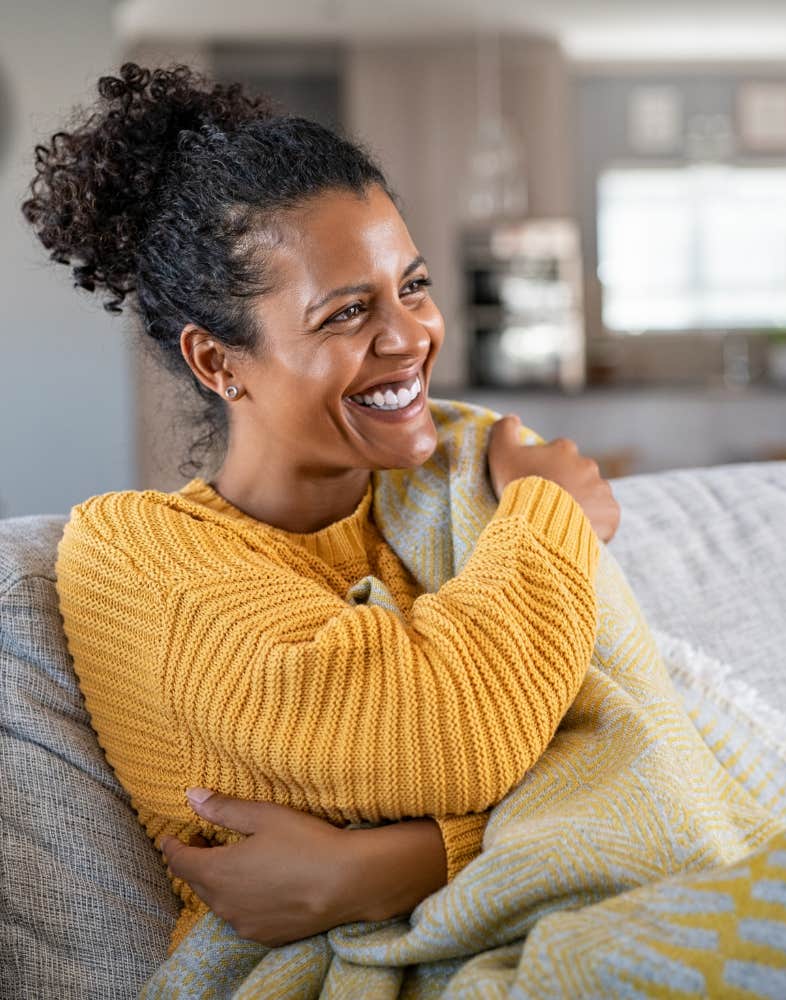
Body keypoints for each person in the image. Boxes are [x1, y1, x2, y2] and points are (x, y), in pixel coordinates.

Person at [24, 63, 619, 954]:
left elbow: (637, 742)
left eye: (413, 287)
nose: (409, 337)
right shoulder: (133, 555)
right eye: (348, 313)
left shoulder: (457, 477)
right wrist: (551, 511)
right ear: (219, 363)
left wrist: (380, 867)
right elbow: (459, 729)